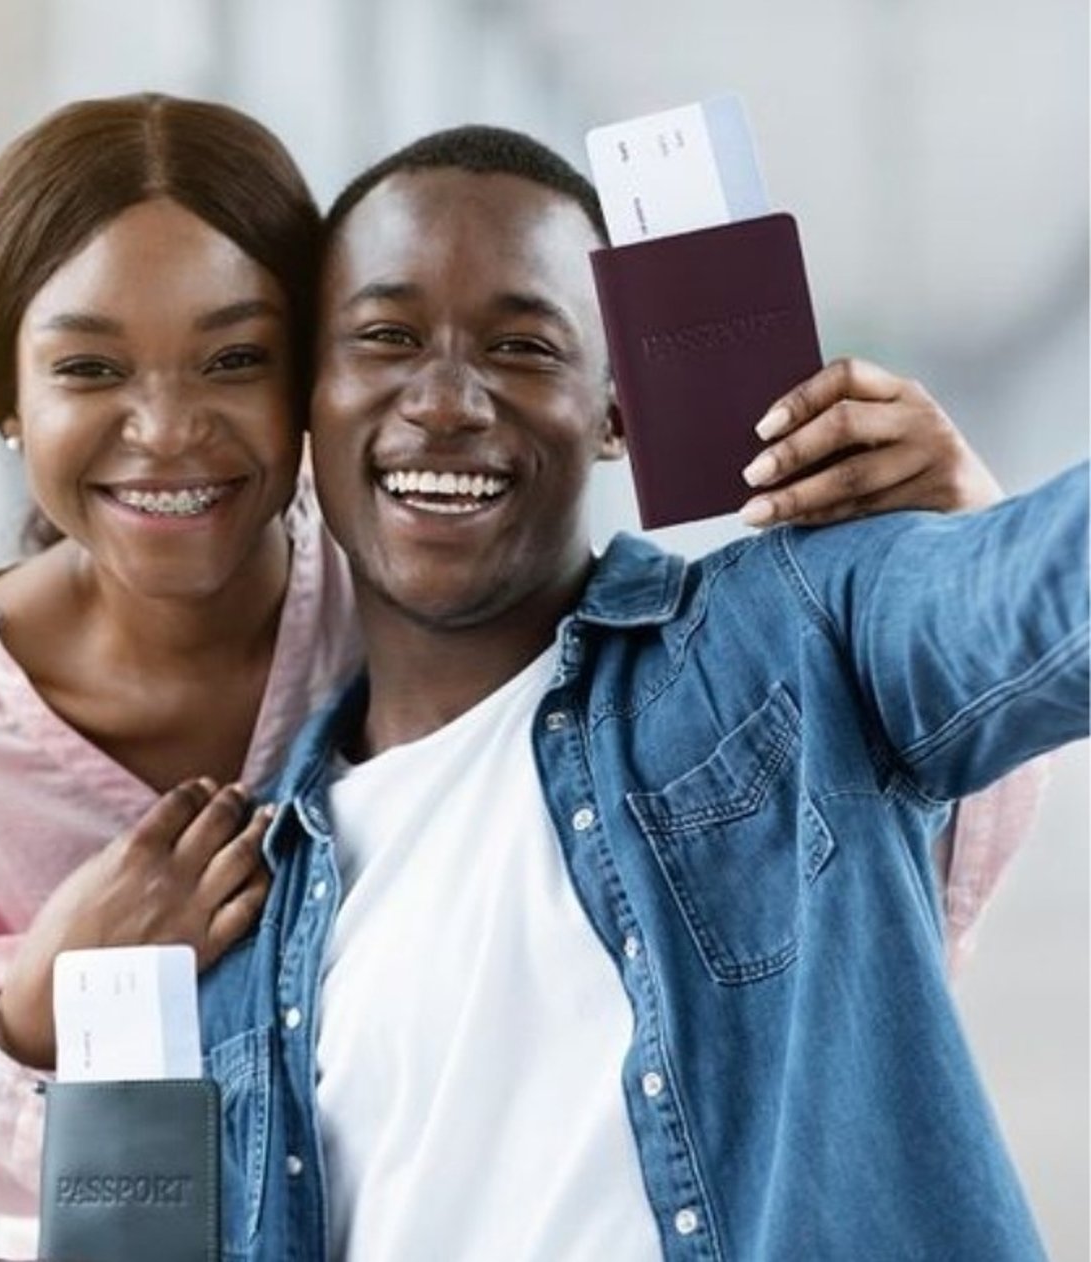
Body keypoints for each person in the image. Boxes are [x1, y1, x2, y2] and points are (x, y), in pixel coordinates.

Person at [0, 96, 1029, 1255]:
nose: (168, 427)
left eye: (233, 358)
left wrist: (949, 529)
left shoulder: (406, 570)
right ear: (4, 398)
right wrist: (51, 991)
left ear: (300, 386)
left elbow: (870, 785)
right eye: (90, 370)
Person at [193, 124, 1089, 1262]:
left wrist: (973, 521)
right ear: (308, 402)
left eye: (521, 347)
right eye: (385, 337)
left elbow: (1040, 598)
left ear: (619, 409)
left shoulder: (780, 636)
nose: (449, 400)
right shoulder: (237, 901)